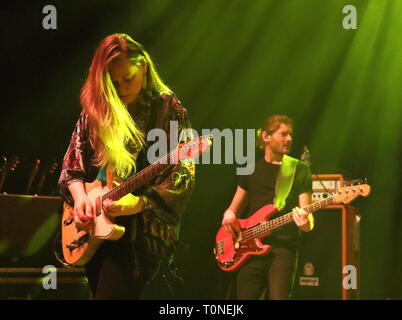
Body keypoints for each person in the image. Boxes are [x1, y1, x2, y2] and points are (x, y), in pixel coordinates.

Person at [58, 33, 195, 299]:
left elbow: (182, 172)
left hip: (140, 235)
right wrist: (81, 198)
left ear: (143, 65)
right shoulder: (97, 109)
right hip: (95, 229)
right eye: (113, 83)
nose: (121, 89)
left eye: (128, 78)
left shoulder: (165, 106)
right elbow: (72, 167)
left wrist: (140, 203)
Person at [221, 115, 314, 300]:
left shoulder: (299, 169)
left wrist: (305, 222)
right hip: (248, 249)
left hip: (282, 250)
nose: (289, 139)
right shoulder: (250, 169)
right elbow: (233, 209)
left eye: (291, 135)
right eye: (283, 134)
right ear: (266, 136)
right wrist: (229, 215)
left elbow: (308, 218)